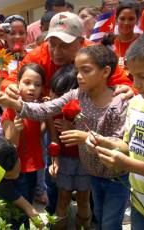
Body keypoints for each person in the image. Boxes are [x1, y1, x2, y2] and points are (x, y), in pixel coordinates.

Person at [0, 44, 131, 230]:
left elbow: (121, 144)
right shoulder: (77, 95)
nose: (78, 76)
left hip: (116, 177)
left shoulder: (120, 101)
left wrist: (85, 137)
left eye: (86, 70)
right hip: (94, 175)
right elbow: (45, 109)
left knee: (109, 224)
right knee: (99, 216)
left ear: (106, 71)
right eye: (77, 70)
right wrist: (12, 103)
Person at [87, 28, 144, 229]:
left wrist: (129, 165)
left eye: (143, 76)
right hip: (140, 208)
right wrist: (107, 142)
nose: (136, 84)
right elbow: (129, 146)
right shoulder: (136, 104)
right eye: (132, 76)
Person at [45, 64, 91, 230]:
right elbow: (54, 139)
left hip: (85, 159)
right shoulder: (52, 111)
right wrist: (54, 159)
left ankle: (83, 226)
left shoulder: (86, 110)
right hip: (64, 159)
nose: (54, 97)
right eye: (53, 91)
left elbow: (92, 136)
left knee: (84, 198)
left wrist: (72, 129)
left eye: (59, 94)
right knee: (63, 197)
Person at [1, 63, 46, 228]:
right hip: (18, 171)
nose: (32, 88)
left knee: (27, 206)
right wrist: (17, 130)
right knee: (19, 212)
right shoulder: (11, 110)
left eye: (37, 84)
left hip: (33, 167)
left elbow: (37, 134)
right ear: (17, 83)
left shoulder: (36, 109)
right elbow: (9, 148)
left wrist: (46, 123)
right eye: (27, 83)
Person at [0, 135, 46, 228]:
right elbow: (26, 206)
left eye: (16, 170)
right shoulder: (0, 182)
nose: (15, 177)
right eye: (8, 175)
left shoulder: (11, 148)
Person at [103, 0, 142, 71]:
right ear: (116, 19)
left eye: (131, 19)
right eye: (122, 18)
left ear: (137, 20)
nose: (126, 22)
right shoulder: (107, 43)